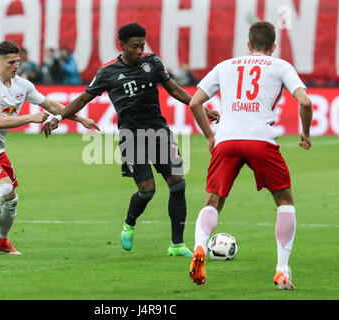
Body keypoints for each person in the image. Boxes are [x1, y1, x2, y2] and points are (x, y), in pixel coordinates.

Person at [42, 23, 219, 257]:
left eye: (142, 46)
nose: (139, 50)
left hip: (160, 133)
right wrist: (58, 117)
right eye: (135, 46)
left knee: (178, 184)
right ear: (122, 45)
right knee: (147, 191)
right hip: (132, 138)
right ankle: (129, 224)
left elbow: (174, 89)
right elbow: (84, 98)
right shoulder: (108, 72)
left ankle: (176, 245)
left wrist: (201, 107)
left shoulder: (152, 63)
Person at [188, 21, 313, 289]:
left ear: (248, 45)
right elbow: (305, 101)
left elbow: (195, 102)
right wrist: (306, 133)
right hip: (260, 140)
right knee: (284, 201)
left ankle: (199, 247)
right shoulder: (281, 66)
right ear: (273, 46)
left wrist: (211, 135)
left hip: (227, 139)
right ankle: (282, 270)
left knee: (213, 200)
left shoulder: (226, 65)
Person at [0, 40, 99, 258]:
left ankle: (1, 241)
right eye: (11, 62)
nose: (16, 65)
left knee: (12, 198)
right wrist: (31, 118)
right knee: (4, 189)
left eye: (18, 61)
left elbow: (51, 105)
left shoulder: (22, 85)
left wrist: (80, 119)